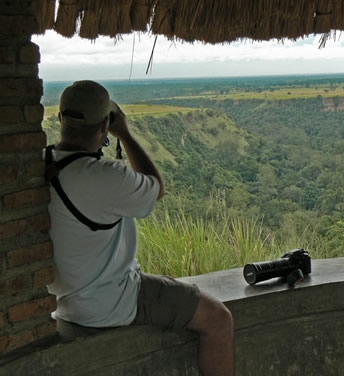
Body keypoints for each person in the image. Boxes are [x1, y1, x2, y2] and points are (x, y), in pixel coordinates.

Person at [46, 80, 234, 376]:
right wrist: (126, 134)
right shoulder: (104, 175)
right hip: (112, 301)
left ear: (60, 119)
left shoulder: (42, 166)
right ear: (104, 125)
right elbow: (156, 188)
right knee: (219, 319)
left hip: (64, 303)